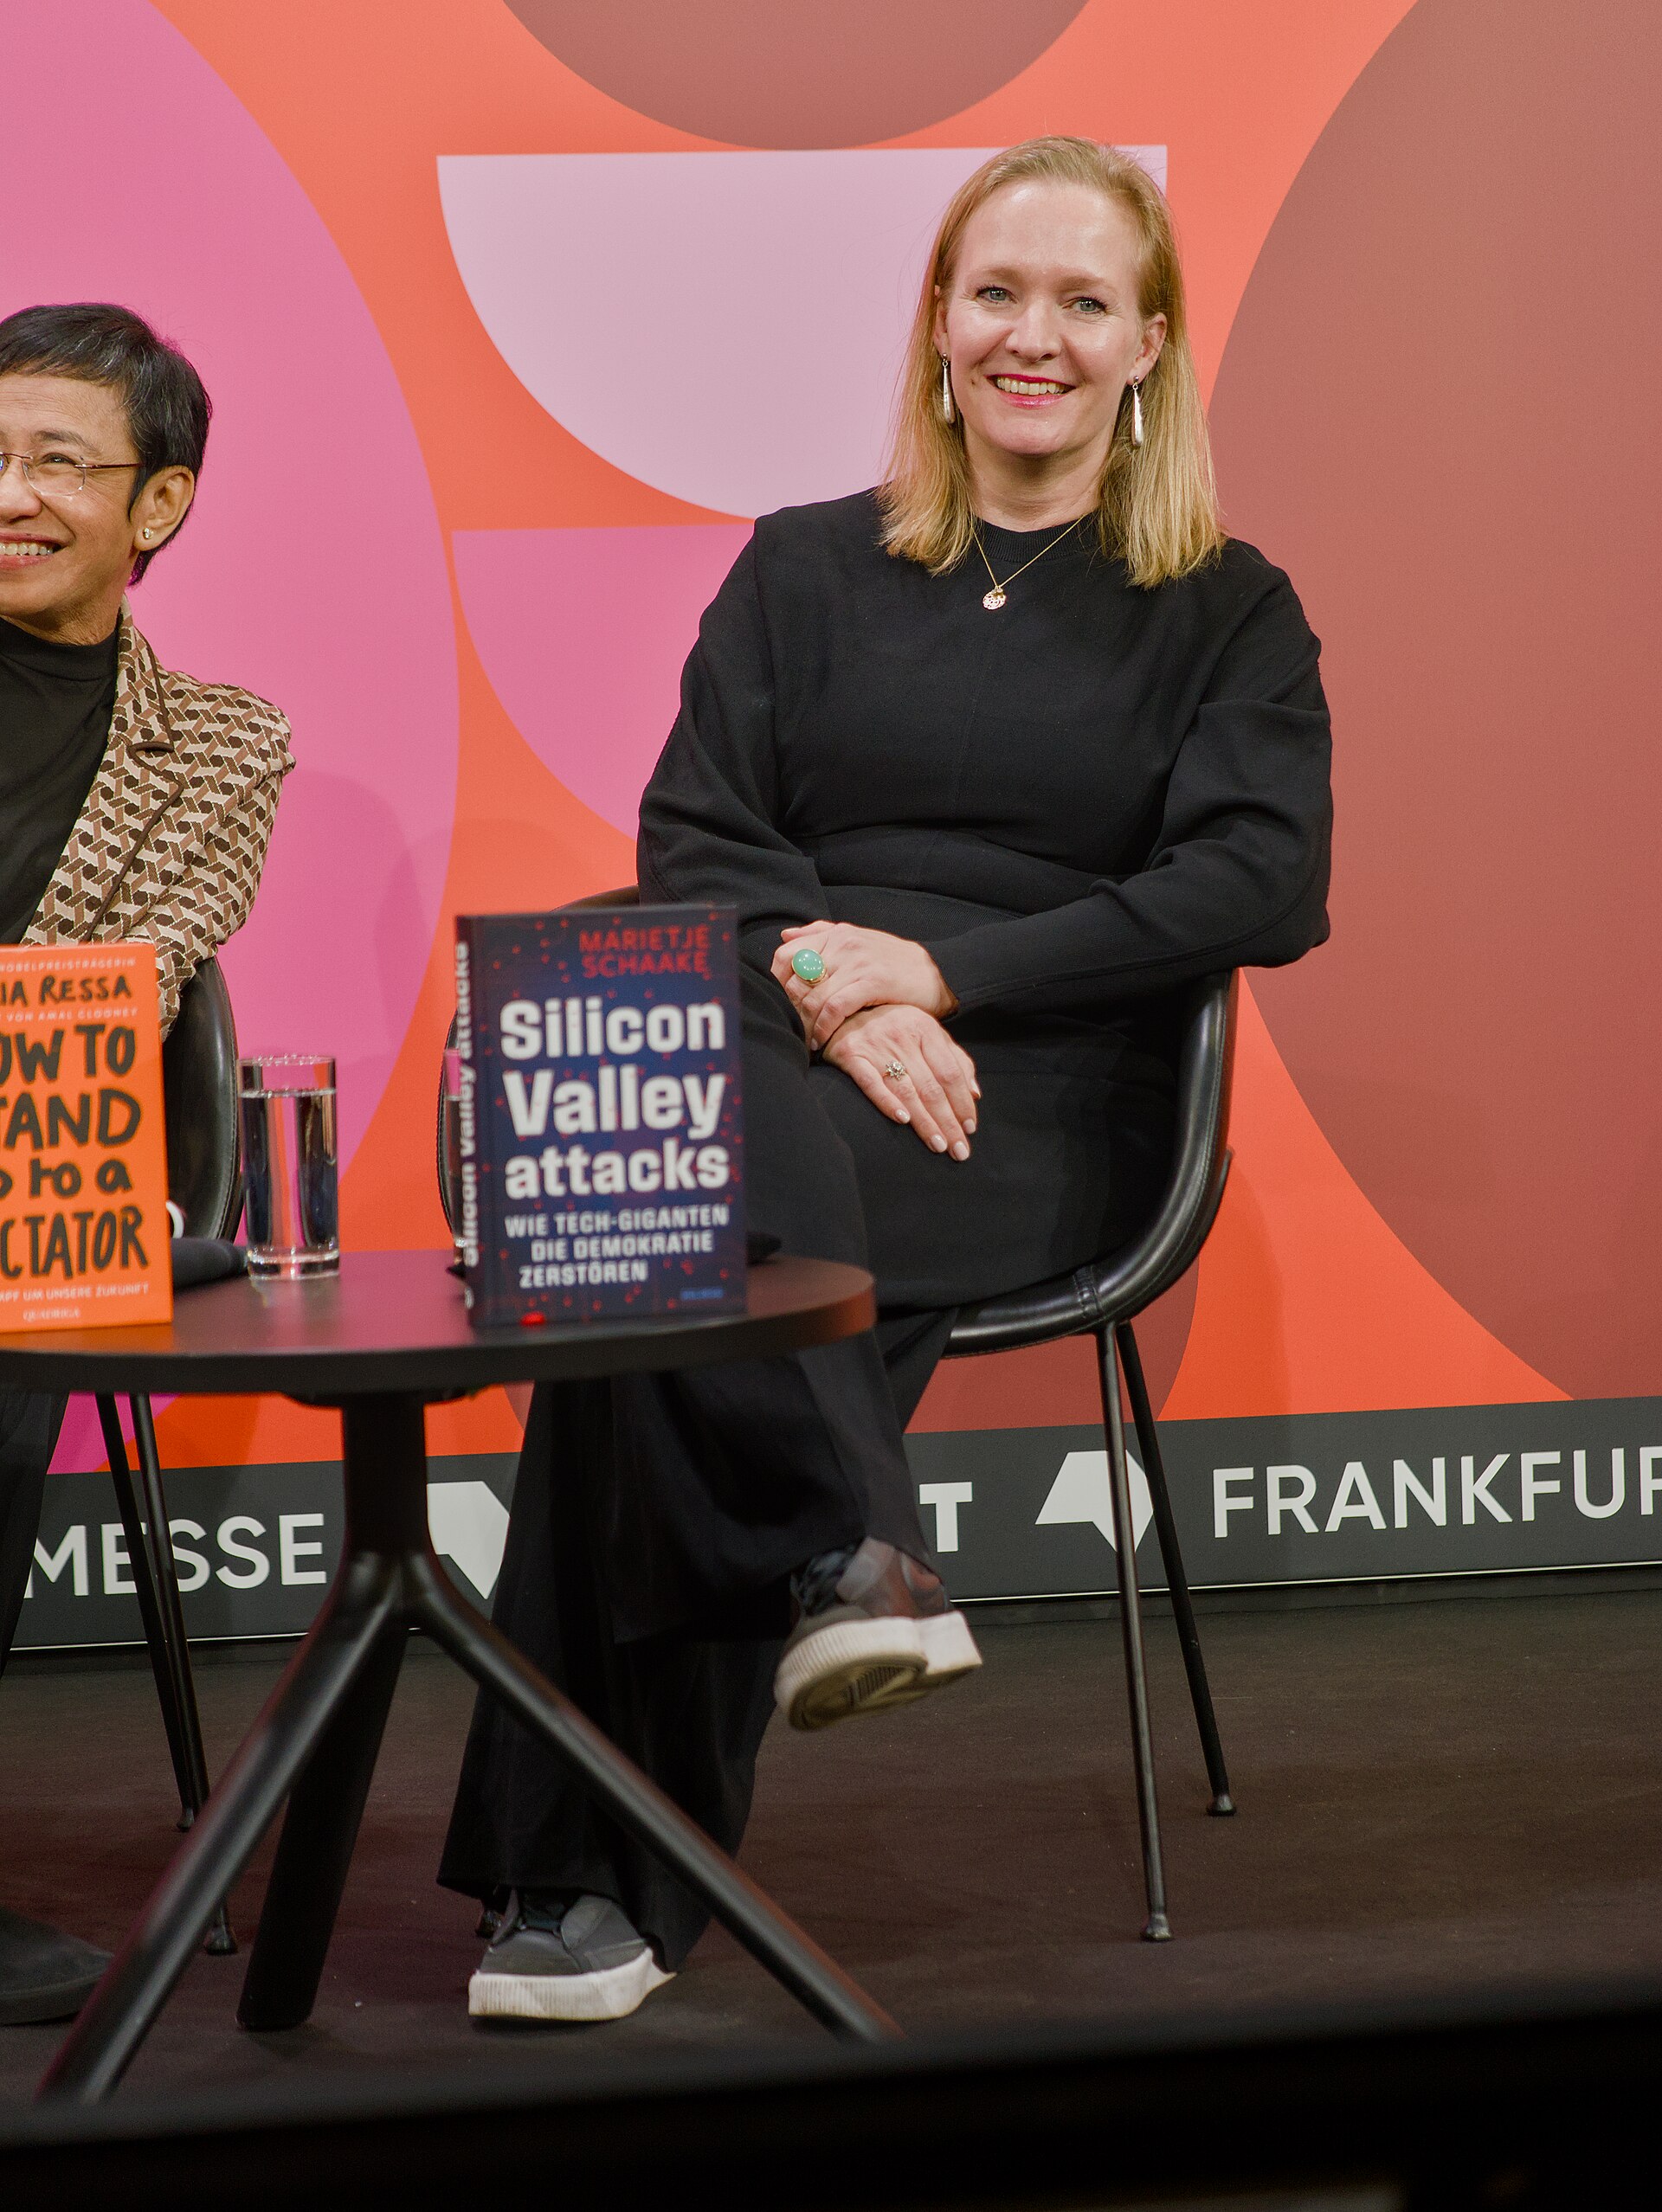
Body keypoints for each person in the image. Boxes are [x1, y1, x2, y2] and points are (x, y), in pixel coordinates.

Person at [441, 137, 1331, 2024]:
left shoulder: (1226, 607)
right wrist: (842, 998)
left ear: (1148, 346)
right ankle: (846, 1550)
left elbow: (1263, 878)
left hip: (1040, 1106)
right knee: (667, 1086)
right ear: (939, 326)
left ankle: (575, 1880)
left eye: (1085, 302)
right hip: (808, 1045)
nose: (1037, 336)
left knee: (655, 1233)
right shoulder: (805, 565)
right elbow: (700, 830)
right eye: (998, 292)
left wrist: (946, 971)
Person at [0, 304, 293, 2024]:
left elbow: (121, 991)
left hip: (52, 1167)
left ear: (155, 507)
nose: (11, 493)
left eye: (56, 461)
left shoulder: (219, 744)